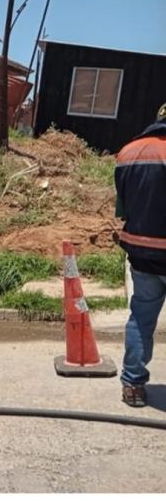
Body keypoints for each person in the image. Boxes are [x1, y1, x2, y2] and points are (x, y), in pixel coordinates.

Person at [114, 103, 166, 407]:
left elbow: (122, 208)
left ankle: (132, 385)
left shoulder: (128, 152)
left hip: (142, 253)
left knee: (141, 320)